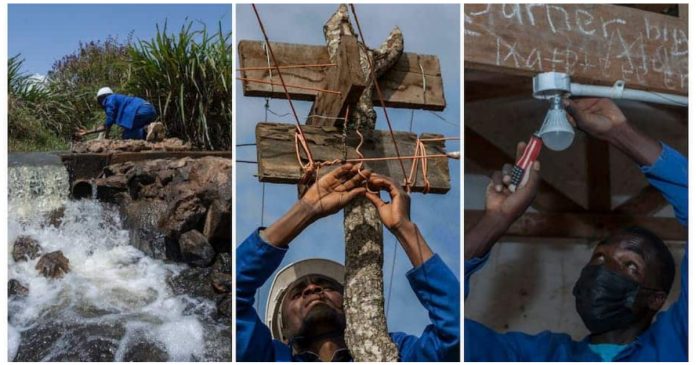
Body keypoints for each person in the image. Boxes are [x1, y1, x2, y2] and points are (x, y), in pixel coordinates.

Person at [465, 98, 687, 361]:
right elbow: (447, 330)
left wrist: (620, 133)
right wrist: (496, 220)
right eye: (599, 257)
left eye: (630, 266)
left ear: (656, 300)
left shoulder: (677, 345)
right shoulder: (539, 356)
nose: (604, 269)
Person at [236, 164, 460, 361]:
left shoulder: (396, 351)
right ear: (282, 331)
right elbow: (231, 292)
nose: (313, 289)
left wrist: (405, 229)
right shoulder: (268, 358)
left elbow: (456, 332)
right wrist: (306, 210)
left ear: (352, 306)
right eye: (297, 293)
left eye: (327, 286)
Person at [75, 87, 163, 141]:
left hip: (140, 111)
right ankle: (154, 132)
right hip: (150, 110)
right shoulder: (118, 98)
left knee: (127, 135)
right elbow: (107, 128)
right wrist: (105, 138)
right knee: (135, 130)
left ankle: (147, 128)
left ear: (101, 98)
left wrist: (87, 132)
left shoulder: (109, 100)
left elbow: (107, 124)